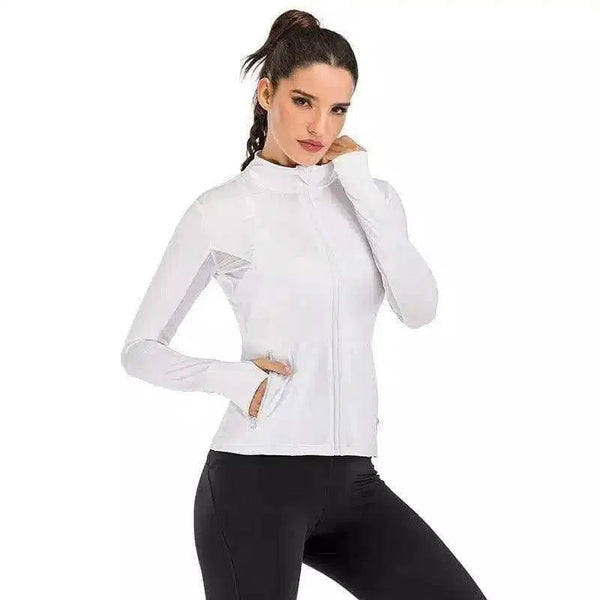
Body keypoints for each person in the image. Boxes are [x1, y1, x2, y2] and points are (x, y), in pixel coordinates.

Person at [120, 9, 488, 600]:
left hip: (355, 484)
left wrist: (360, 186)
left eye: (338, 109)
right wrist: (235, 380)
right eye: (303, 102)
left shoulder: (373, 197)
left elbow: (419, 309)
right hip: (253, 485)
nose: (320, 126)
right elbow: (139, 350)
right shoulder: (220, 211)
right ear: (267, 94)